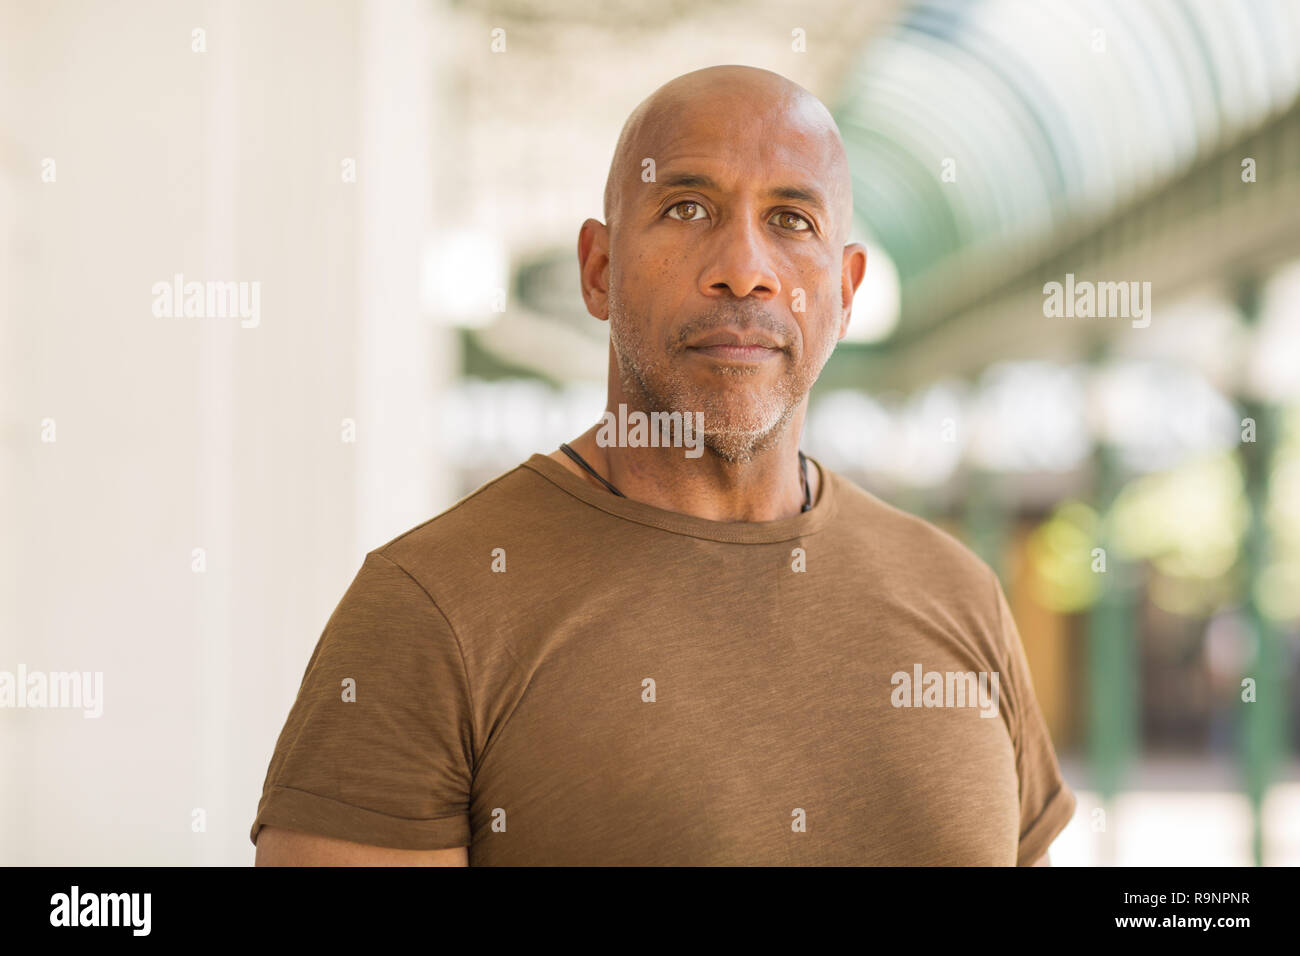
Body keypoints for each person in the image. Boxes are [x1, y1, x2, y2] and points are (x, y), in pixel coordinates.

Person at [251, 64, 1075, 866]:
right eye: (687, 208)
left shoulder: (957, 593)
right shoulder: (429, 610)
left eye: (792, 221)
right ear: (599, 270)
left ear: (846, 289)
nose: (744, 269)